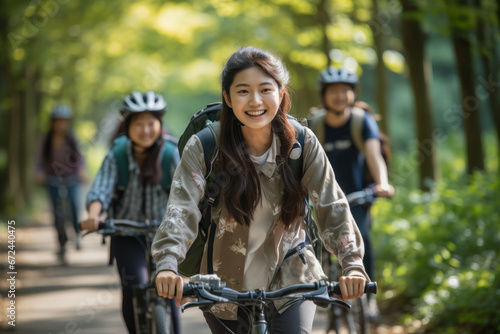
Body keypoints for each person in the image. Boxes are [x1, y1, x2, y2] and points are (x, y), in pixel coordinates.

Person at [152, 47, 370, 334]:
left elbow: (331, 205)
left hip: (292, 276)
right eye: (243, 91)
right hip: (223, 283)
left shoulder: (302, 144)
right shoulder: (205, 147)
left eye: (265, 89)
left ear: (280, 94)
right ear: (228, 98)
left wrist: (352, 263)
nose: (255, 101)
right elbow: (182, 208)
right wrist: (168, 263)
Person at [80, 91, 181, 334]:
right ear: (127, 125)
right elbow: (101, 188)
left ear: (160, 124)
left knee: (168, 287)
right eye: (139, 123)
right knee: (133, 284)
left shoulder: (170, 152)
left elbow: (184, 193)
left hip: (165, 234)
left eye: (151, 123)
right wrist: (94, 215)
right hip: (125, 232)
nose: (145, 130)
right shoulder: (117, 154)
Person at [311, 67, 395, 319]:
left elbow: (373, 155)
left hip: (358, 195)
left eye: (345, 91)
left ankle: (368, 298)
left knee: (362, 240)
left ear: (353, 94)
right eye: (334, 91)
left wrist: (382, 182)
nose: (340, 96)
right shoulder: (315, 124)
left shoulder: (361, 120)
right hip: (325, 197)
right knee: (318, 241)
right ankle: (325, 287)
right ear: (324, 95)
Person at [35, 103, 87, 263]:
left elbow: (80, 159)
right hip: (52, 179)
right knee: (57, 212)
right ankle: (61, 243)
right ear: (52, 122)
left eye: (64, 121)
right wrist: (39, 173)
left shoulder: (72, 139)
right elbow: (38, 160)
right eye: (58, 121)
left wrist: (82, 171)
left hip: (71, 178)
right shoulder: (47, 140)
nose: (61, 124)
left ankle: (77, 234)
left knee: (73, 204)